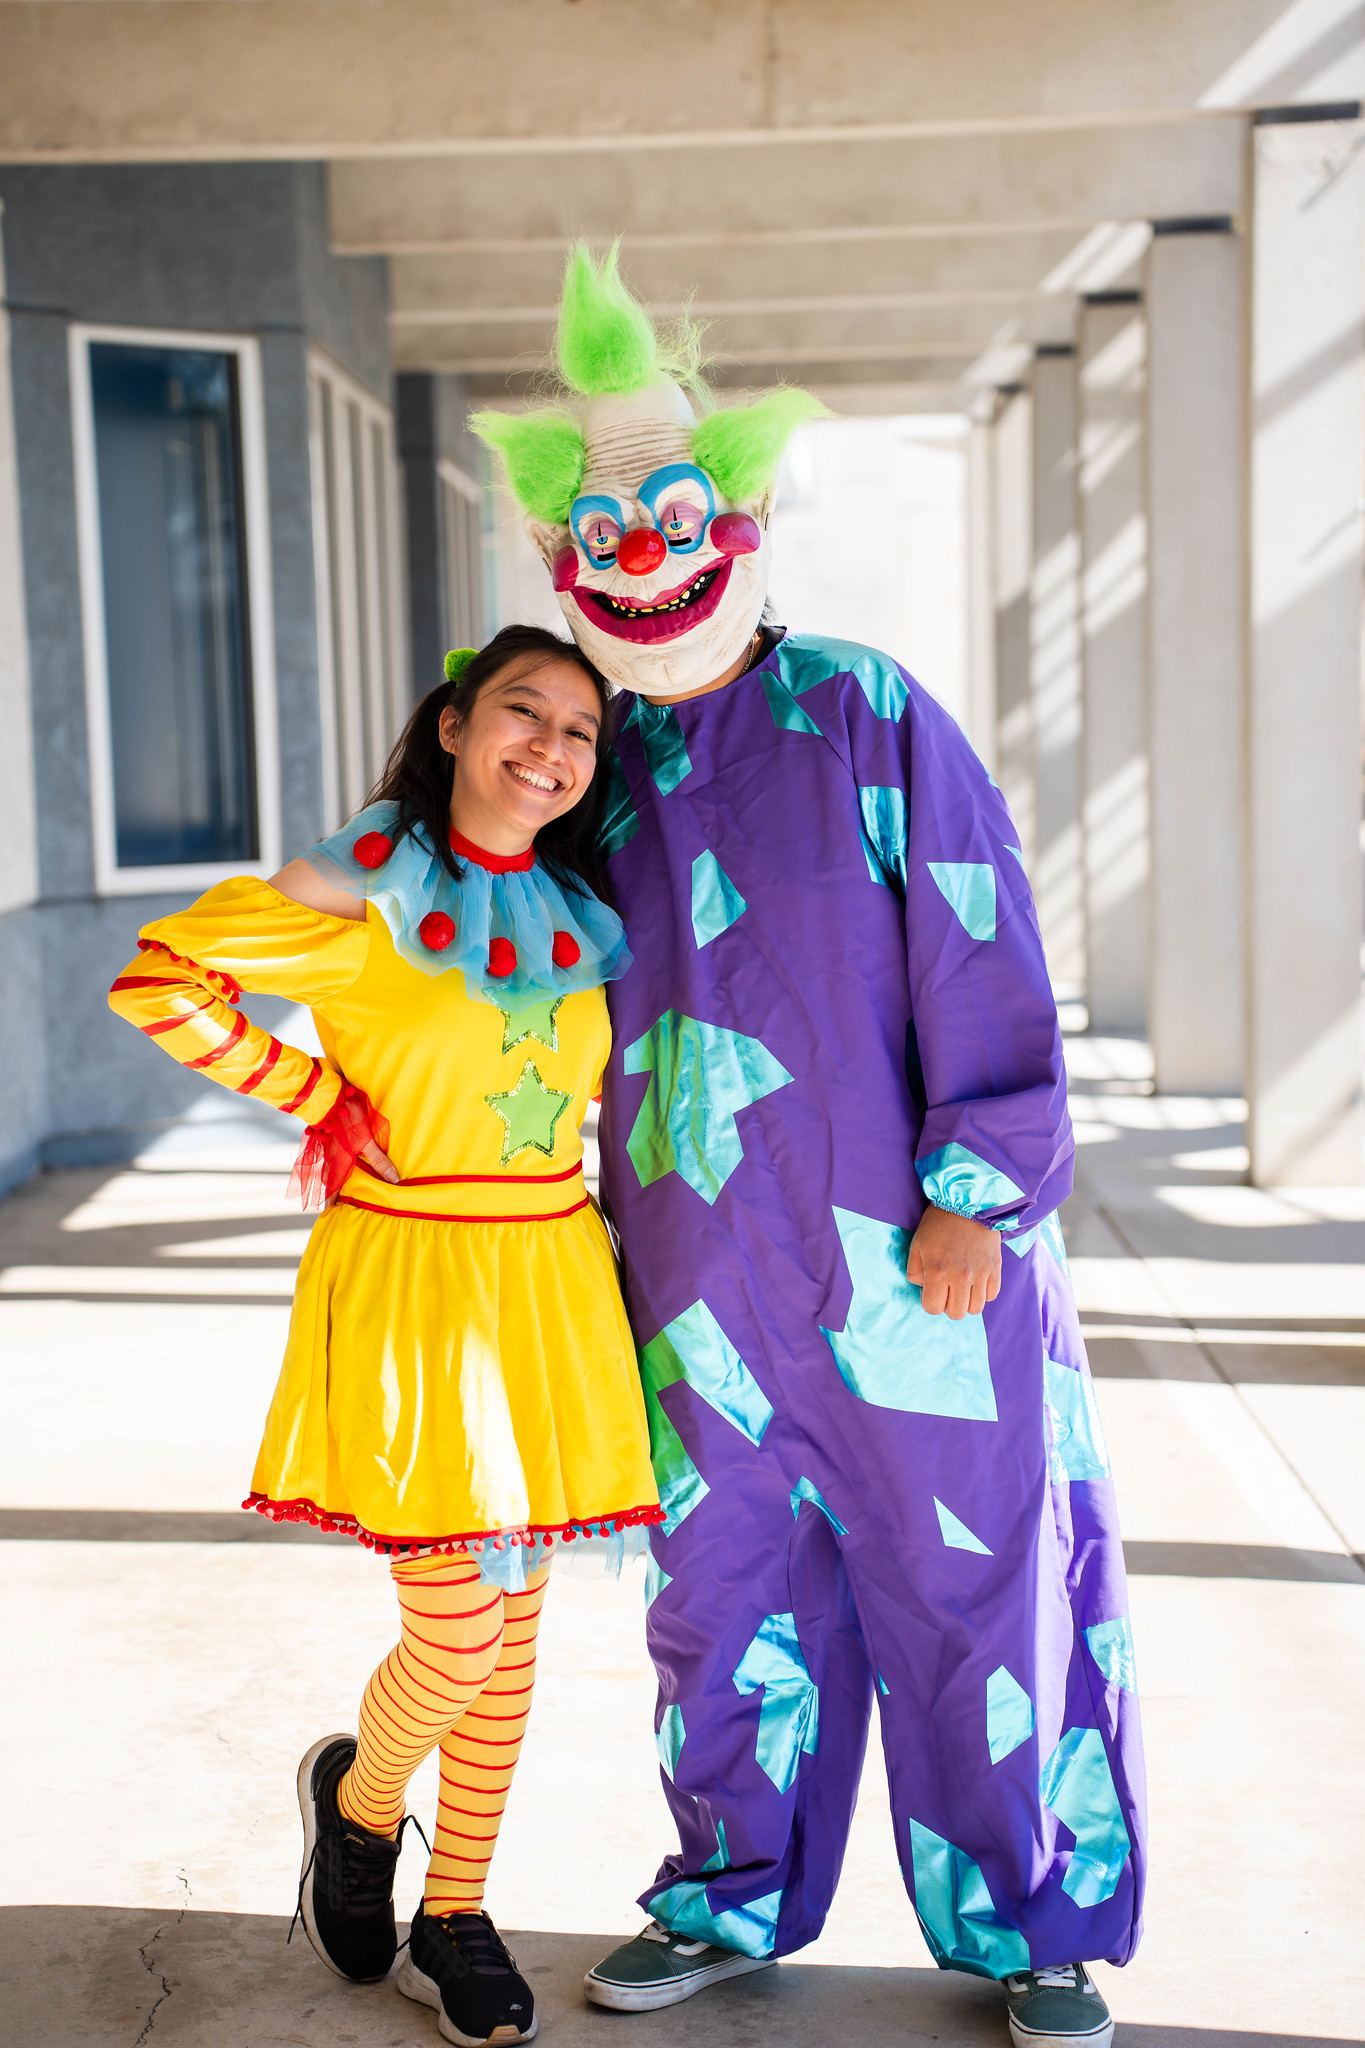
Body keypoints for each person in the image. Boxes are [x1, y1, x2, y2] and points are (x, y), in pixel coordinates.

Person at [473, 249, 1146, 2048]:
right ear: (559, 557)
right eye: (603, 531)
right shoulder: (589, 757)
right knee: (717, 1601)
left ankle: (1033, 1927)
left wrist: (976, 1192)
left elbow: (978, 939)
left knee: (969, 1590)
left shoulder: (861, 707)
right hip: (688, 1276)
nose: (644, 556)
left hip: (913, 1259)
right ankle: (724, 1897)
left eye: (671, 518)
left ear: (743, 518)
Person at [108, 624, 661, 2048]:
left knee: (515, 1627)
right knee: (456, 1625)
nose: (549, 748)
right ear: (455, 724)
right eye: (523, 713)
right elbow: (162, 980)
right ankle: (361, 1811)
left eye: (579, 732)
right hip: (413, 1273)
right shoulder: (363, 882)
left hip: (551, 1274)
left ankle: (456, 1912)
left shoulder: (579, 908)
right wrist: (315, 1094)